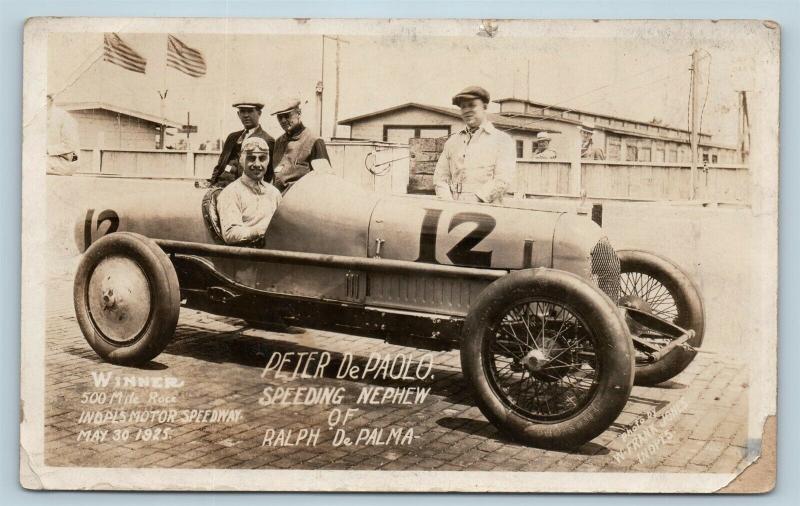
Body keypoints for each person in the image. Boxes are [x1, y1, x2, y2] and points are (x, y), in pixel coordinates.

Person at [432, 86, 515, 203]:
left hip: (487, 210)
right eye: (463, 107)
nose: (466, 110)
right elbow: (440, 178)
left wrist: (474, 200)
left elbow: (503, 179)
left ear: (484, 106)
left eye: (472, 105)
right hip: (453, 210)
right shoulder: (452, 142)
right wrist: (448, 203)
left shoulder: (502, 140)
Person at [217, 137, 282, 245]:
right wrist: (261, 231)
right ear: (241, 160)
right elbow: (230, 234)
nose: (257, 164)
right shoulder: (231, 193)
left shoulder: (274, 193)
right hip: (248, 257)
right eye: (251, 158)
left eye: (262, 158)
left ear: (268, 161)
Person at [208, 98, 275, 188]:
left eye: (250, 111)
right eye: (242, 111)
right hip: (220, 186)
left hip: (244, 189)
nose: (246, 115)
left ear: (259, 113)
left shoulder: (266, 140)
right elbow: (220, 164)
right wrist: (212, 183)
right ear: (238, 114)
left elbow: (268, 173)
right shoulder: (232, 137)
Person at [270, 98, 330, 193]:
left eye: (287, 115)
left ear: (298, 113)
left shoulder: (314, 140)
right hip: (278, 200)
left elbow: (325, 179)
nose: (283, 120)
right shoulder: (278, 142)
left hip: (300, 202)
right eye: (279, 117)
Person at [46, 94, 80, 175]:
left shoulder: (63, 116)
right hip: (50, 160)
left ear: (50, 99)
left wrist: (46, 149)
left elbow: (70, 146)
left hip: (64, 162)